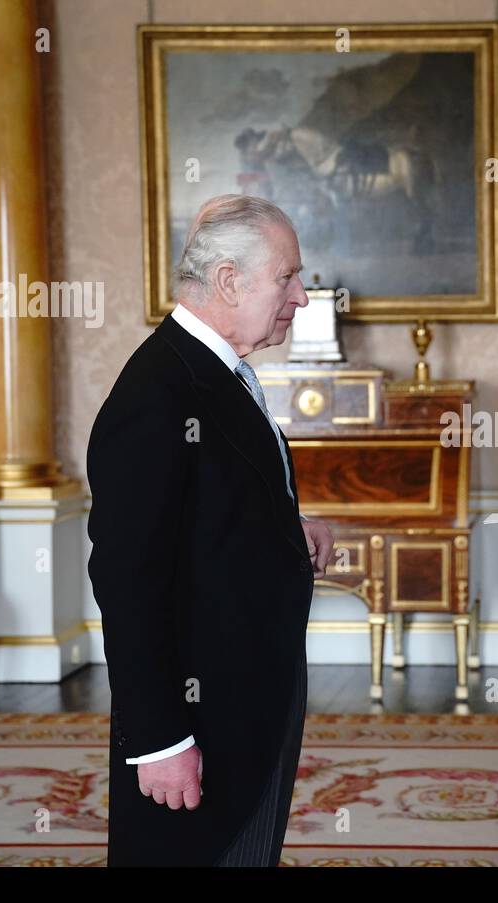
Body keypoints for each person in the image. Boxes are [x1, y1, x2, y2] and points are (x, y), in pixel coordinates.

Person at [88, 194, 334, 866]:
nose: (303, 297)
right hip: (200, 716)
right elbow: (127, 580)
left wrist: (288, 529)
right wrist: (159, 740)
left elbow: (213, 509)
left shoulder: (217, 372)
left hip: (248, 697)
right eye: (288, 278)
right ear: (230, 280)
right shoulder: (158, 393)